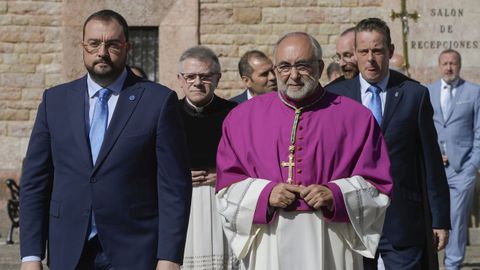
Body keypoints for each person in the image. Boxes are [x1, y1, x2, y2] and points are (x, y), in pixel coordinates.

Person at [19, 9, 192, 270]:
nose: (102, 52)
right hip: (68, 248)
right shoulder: (54, 101)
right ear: (83, 46)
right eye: (94, 43)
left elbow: (174, 186)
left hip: (134, 249)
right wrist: (31, 255)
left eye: (112, 44)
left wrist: (169, 257)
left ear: (127, 48)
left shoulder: (157, 101)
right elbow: (35, 181)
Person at [216, 32, 393, 270]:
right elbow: (226, 187)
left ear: (319, 67)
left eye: (302, 65)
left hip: (331, 236)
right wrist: (264, 194)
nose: (294, 75)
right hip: (270, 236)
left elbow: (378, 185)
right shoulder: (241, 118)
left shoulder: (356, 117)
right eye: (284, 67)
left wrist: (337, 195)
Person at [326, 17, 451, 270]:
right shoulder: (335, 99)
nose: (370, 58)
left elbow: (431, 162)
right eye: (363, 51)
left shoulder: (414, 95)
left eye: (377, 51)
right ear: (355, 55)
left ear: (390, 51)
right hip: (351, 222)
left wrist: (440, 219)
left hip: (403, 221)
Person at [176, 46, 237, 269]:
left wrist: (222, 175)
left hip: (221, 201)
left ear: (218, 78)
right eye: (190, 76)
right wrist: (180, 176)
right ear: (180, 80)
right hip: (181, 203)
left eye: (205, 77)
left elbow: (247, 162)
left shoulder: (235, 114)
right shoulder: (168, 114)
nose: (197, 83)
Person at [427, 49, 480, 270]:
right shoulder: (428, 91)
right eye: (445, 63)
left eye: (453, 63)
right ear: (439, 65)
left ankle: (452, 264)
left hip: (462, 170)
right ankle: (431, 261)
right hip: (435, 168)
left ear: (460, 65)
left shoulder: (474, 92)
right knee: (434, 217)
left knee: (457, 219)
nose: (449, 67)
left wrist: (472, 166)